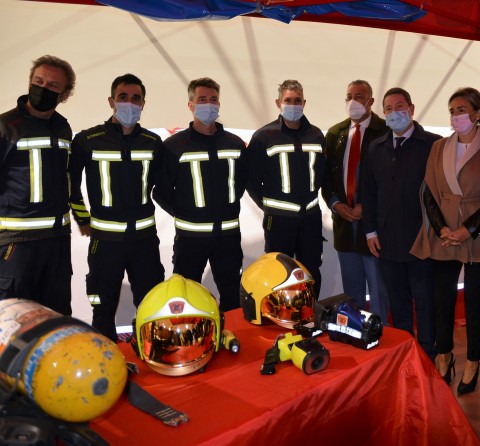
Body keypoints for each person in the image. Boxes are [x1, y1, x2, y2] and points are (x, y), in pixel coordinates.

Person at [411, 87, 480, 393]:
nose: (456, 116)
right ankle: (444, 354)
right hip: (444, 233)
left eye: (462, 110)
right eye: (452, 110)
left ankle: (474, 359)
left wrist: (467, 230)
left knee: (476, 299)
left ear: (478, 114)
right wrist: (441, 229)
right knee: (443, 298)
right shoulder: (439, 147)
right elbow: (428, 191)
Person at [69, 73, 165, 341]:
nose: (129, 103)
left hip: (144, 241)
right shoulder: (88, 139)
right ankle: (107, 364)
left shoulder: (152, 142)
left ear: (144, 103)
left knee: (150, 305)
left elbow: (162, 184)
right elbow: (70, 183)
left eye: (136, 98)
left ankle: (150, 359)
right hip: (105, 243)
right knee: (103, 308)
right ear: (111, 100)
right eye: (123, 97)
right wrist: (82, 218)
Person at [153, 77, 247, 311]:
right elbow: (161, 192)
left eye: (213, 99)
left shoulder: (234, 144)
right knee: (186, 295)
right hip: (190, 239)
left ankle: (233, 340)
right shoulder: (174, 145)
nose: (209, 104)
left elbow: (241, 182)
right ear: (191, 105)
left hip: (228, 236)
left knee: (231, 294)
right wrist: (185, 213)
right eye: (202, 99)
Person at [362, 87, 441, 358]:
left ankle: (429, 355)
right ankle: (407, 356)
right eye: (388, 108)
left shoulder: (433, 144)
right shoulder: (376, 147)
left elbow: (442, 194)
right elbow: (369, 192)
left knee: (425, 302)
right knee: (398, 303)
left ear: (411, 108)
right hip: (387, 240)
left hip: (423, 239)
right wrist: (370, 231)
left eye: (399, 106)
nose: (394, 113)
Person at [0, 55, 76, 315]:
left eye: (53, 86)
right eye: (38, 81)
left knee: (56, 317)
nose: (43, 88)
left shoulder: (63, 128)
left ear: (65, 94)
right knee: (14, 319)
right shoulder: (5, 126)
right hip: (16, 245)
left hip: (57, 243)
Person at [246, 80, 325, 297]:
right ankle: (280, 319)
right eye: (288, 100)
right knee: (279, 272)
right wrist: (269, 207)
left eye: (297, 100)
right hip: (278, 221)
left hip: (310, 219)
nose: (293, 105)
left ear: (304, 102)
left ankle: (311, 316)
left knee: (311, 270)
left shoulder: (317, 135)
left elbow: (321, 173)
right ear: (278, 103)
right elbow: (251, 180)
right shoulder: (264, 137)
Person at [321, 80, 389, 322]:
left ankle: (382, 336)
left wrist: (367, 207)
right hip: (344, 223)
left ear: (370, 101)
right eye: (349, 96)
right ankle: (359, 333)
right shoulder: (334, 134)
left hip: (374, 227)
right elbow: (325, 178)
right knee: (352, 291)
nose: (353, 102)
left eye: (359, 96)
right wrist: (336, 204)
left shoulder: (385, 130)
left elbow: (390, 180)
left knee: (380, 289)